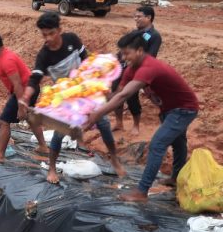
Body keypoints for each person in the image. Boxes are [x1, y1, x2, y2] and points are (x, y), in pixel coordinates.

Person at [84, 30, 199, 202]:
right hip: (168, 109)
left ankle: (142, 191)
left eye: (127, 53)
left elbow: (124, 96)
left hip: (183, 109)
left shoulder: (148, 67)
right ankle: (175, 178)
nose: (124, 58)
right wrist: (94, 102)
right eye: (122, 54)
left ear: (139, 51)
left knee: (157, 145)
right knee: (178, 143)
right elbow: (118, 93)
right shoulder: (131, 69)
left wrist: (97, 114)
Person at [23, 12, 125, 183]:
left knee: (104, 124)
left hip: (86, 91)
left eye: (51, 33)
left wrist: (99, 81)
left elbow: (87, 60)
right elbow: (35, 78)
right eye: (44, 35)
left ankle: (114, 159)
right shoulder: (44, 55)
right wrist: (26, 96)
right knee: (59, 134)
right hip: (66, 100)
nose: (48, 38)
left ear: (59, 30)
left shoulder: (72, 40)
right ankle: (52, 168)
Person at [0, 31, 48, 162]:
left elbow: (17, 84)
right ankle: (43, 147)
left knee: (4, 121)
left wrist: (21, 107)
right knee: (30, 118)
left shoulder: (8, 60)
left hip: (25, 90)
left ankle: (0, 155)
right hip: (27, 89)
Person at [113, 5, 163, 134]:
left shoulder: (154, 36)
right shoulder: (134, 33)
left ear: (149, 17)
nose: (136, 19)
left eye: (139, 16)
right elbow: (123, 49)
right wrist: (116, 59)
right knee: (116, 92)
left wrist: (136, 67)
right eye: (135, 16)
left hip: (136, 71)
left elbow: (151, 56)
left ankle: (136, 125)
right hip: (121, 68)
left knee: (132, 97)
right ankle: (119, 123)